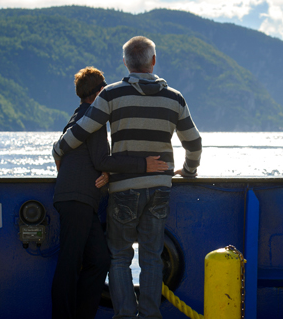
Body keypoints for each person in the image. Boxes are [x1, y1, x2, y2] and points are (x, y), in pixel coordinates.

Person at [53, 36, 202, 319]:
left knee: (119, 256)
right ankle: (150, 315)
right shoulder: (175, 97)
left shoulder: (110, 95)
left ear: (125, 63)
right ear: (153, 61)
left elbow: (81, 131)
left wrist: (57, 149)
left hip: (123, 190)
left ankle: (123, 315)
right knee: (152, 256)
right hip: (159, 188)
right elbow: (193, 142)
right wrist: (190, 171)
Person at [51, 66, 169, 319]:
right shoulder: (91, 118)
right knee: (69, 264)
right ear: (100, 92)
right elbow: (102, 159)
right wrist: (143, 164)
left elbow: (70, 151)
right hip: (77, 199)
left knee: (100, 260)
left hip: (81, 200)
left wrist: (102, 173)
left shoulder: (79, 116)